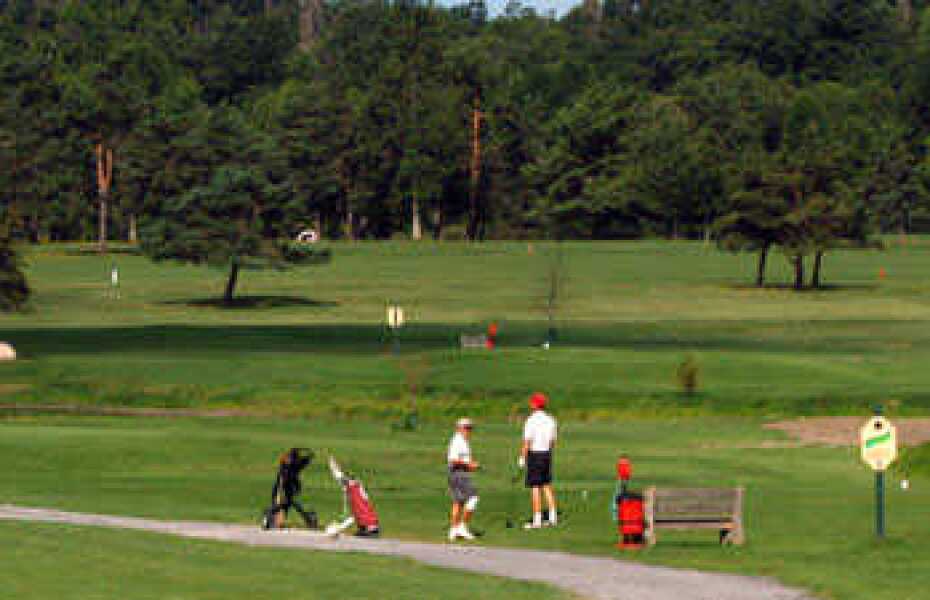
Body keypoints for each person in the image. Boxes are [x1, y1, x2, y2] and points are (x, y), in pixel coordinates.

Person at [519, 392, 558, 529]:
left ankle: (537, 519)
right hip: (547, 454)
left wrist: (522, 458)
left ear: (534, 404)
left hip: (535, 454)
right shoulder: (551, 419)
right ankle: (553, 517)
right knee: (546, 485)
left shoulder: (531, 420)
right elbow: (553, 441)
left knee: (535, 487)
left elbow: (527, 441)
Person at [264, 447, 318, 530]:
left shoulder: (286, 464)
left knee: (286, 504)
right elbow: (308, 457)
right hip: (287, 486)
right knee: (286, 503)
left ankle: (271, 515)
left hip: (284, 485)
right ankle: (270, 514)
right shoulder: (296, 464)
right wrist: (307, 452)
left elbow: (286, 461)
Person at [447, 417, 480, 541]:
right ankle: (462, 526)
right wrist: (469, 465)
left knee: (459, 502)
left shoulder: (462, 441)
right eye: (466, 428)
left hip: (459, 473)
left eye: (470, 428)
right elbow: (453, 460)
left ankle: (453, 530)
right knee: (473, 498)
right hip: (458, 474)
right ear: (459, 428)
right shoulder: (458, 441)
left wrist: (471, 465)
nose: (469, 430)